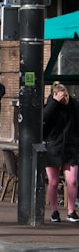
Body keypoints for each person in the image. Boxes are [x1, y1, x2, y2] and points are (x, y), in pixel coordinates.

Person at [43, 82, 79, 222]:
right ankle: (54, 211)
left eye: (66, 95)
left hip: (70, 148)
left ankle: (71, 211)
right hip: (53, 147)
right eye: (61, 95)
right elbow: (44, 119)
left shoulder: (74, 106)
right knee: (53, 181)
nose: (64, 99)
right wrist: (54, 103)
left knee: (72, 180)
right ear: (54, 95)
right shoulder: (50, 107)